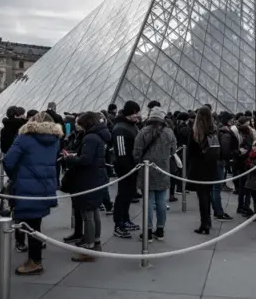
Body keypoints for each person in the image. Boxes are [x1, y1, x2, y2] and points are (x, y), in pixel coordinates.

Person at [3, 111, 61, 275]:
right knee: (35, 223)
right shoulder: (55, 139)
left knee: (29, 225)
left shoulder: (24, 138)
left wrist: (16, 176)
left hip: (26, 186)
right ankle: (34, 259)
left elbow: (8, 161)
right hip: (45, 186)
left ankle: (35, 261)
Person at [63, 112, 110, 262]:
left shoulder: (89, 137)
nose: (76, 125)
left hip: (88, 178)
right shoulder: (99, 135)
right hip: (97, 176)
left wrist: (69, 159)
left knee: (87, 213)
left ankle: (89, 249)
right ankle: (95, 242)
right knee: (94, 211)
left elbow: (86, 160)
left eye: (79, 123)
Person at [134, 108, 177, 241]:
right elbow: (173, 150)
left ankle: (147, 231)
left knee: (148, 201)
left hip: (146, 170)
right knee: (161, 201)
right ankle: (160, 230)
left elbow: (136, 153)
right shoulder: (169, 132)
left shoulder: (142, 132)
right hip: (163, 169)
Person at [112, 101, 141, 239]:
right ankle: (119, 224)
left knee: (128, 195)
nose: (137, 115)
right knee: (122, 195)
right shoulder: (120, 129)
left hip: (132, 167)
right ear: (129, 113)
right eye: (135, 113)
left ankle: (125, 219)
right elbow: (121, 153)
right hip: (126, 168)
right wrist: (130, 170)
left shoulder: (130, 126)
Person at [189, 107, 219, 234]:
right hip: (211, 166)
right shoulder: (213, 130)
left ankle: (204, 224)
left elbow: (191, 152)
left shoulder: (195, 132)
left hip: (198, 167)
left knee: (202, 197)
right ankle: (208, 221)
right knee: (207, 194)